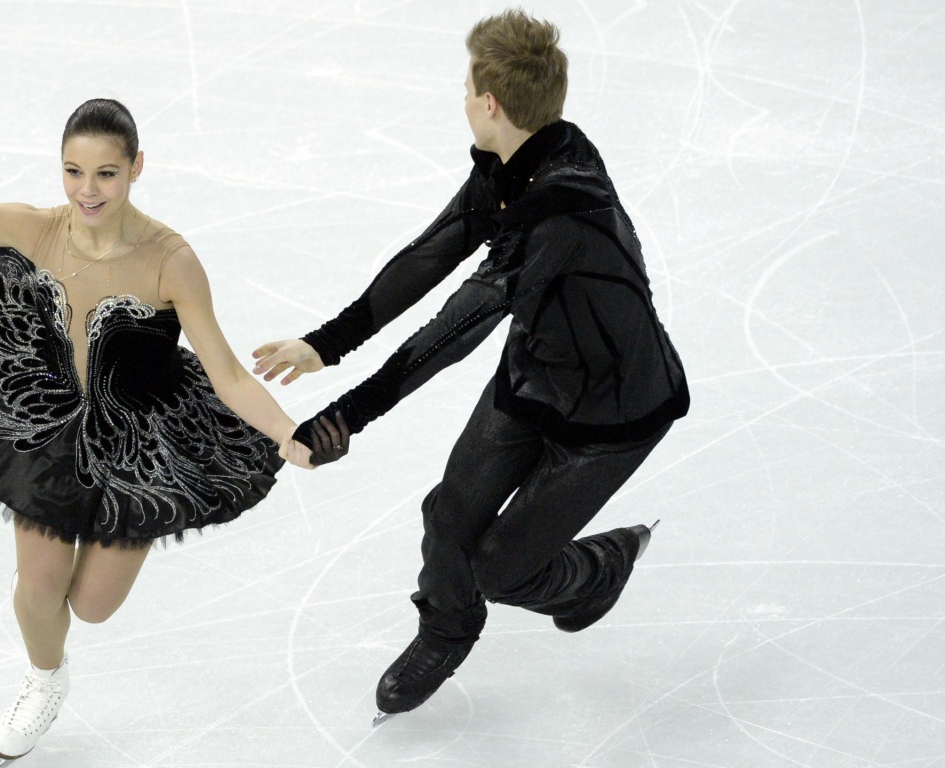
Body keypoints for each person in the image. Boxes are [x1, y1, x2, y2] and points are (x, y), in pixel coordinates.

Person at [0, 51, 334, 762]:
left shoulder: (171, 260)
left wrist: (290, 433)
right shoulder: (41, 229)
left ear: (138, 167)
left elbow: (227, 373)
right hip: (51, 423)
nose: (87, 189)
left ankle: (81, 611)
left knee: (94, 607)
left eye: (106, 172)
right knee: (37, 591)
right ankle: (44, 678)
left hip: (142, 438)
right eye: (73, 171)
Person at [251, 9, 689, 720]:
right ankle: (447, 630)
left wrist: (346, 415)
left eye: (466, 89)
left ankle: (595, 571)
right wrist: (327, 342)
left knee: (501, 567)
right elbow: (431, 255)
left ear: (490, 103)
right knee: (448, 516)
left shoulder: (558, 211)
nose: (461, 99)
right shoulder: (523, 163)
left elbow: (453, 332)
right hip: (536, 378)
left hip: (616, 413)